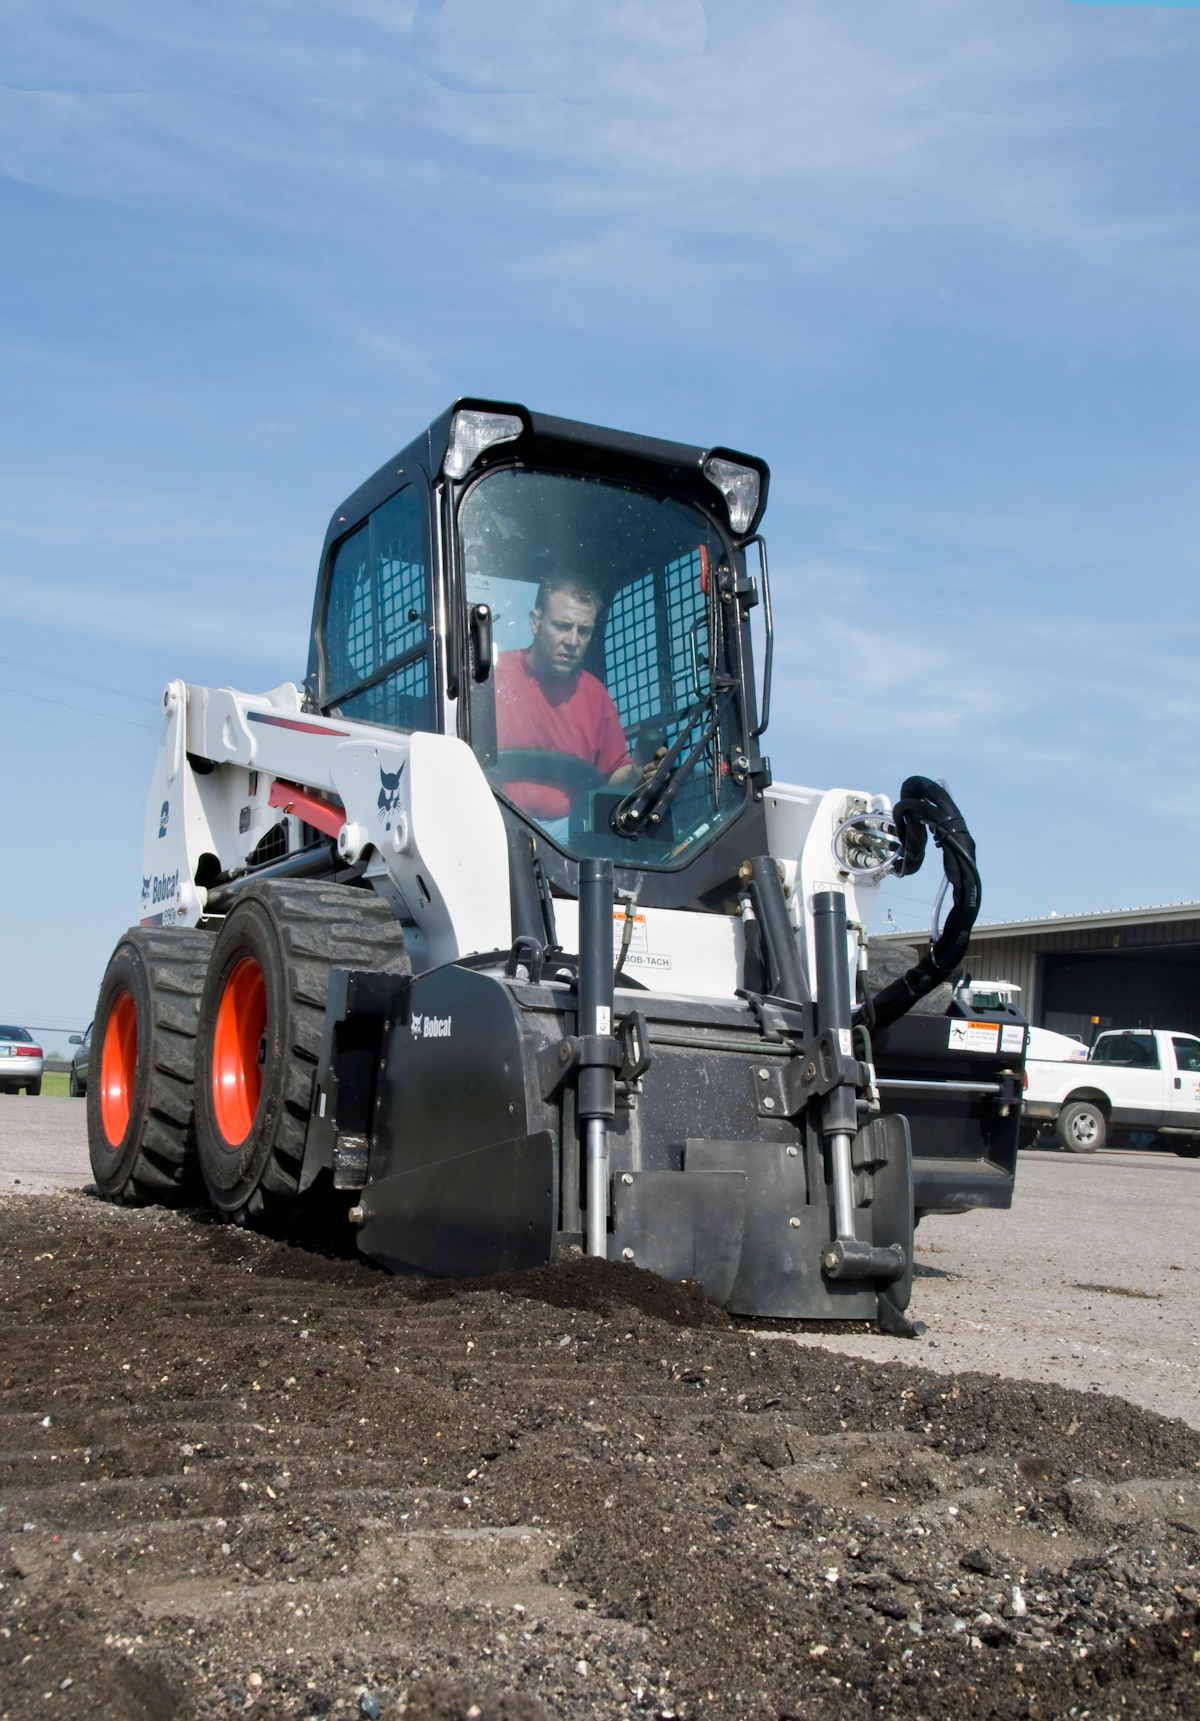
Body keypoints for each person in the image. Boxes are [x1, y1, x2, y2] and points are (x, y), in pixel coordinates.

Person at [495, 573, 663, 831]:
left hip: (570, 842)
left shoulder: (595, 695)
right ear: (534, 622)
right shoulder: (492, 679)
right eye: (562, 626)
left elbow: (611, 774)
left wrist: (637, 772)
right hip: (493, 823)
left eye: (583, 631)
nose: (573, 641)